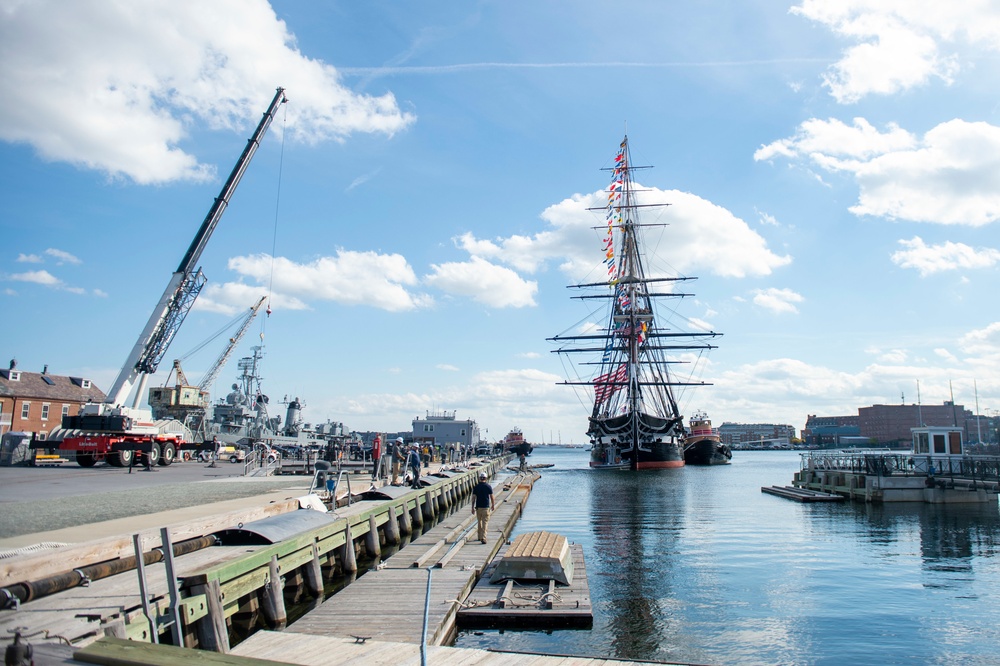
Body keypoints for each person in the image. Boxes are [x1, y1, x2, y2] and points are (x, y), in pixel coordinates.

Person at [471, 471, 495, 544]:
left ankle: (479, 537)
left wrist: (472, 507)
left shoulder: (476, 487)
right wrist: (493, 504)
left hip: (478, 507)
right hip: (486, 507)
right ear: (486, 478)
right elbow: (491, 496)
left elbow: (473, 498)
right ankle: (484, 538)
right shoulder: (488, 486)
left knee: (479, 522)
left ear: (479, 478)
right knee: (485, 522)